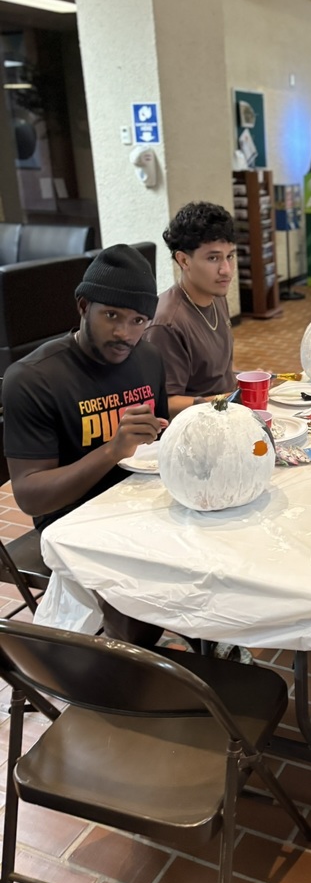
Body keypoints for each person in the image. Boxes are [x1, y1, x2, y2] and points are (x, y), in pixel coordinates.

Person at [2, 245, 169, 643]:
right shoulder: (33, 378)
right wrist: (112, 450)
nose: (124, 334)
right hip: (71, 523)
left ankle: (207, 645)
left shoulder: (148, 358)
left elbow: (157, 440)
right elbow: (30, 496)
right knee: (138, 585)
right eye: (112, 315)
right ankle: (122, 678)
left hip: (137, 502)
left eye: (138, 320)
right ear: (83, 306)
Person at [145, 201, 237, 417]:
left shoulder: (216, 297)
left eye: (230, 256)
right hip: (193, 431)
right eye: (213, 258)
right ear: (184, 260)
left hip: (225, 414)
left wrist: (243, 382)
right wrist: (225, 400)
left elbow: (214, 377)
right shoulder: (167, 323)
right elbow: (162, 403)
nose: (226, 270)